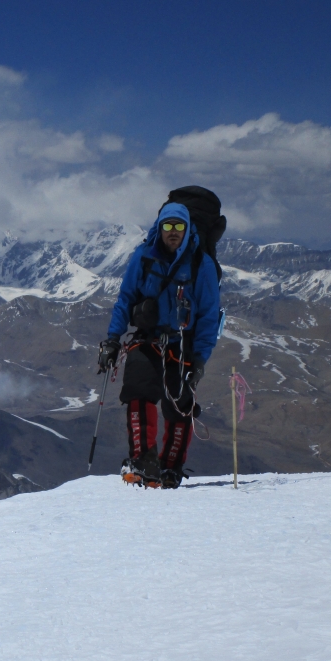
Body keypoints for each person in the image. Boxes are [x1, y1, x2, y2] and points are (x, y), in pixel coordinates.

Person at [97, 201, 221, 487]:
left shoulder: (201, 265)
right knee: (138, 391)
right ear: (160, 227)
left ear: (187, 228)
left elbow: (208, 316)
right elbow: (125, 299)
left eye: (179, 226)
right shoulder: (143, 256)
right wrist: (112, 340)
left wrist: (200, 360)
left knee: (180, 404)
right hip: (148, 338)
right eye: (168, 226)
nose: (173, 232)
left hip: (183, 343)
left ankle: (170, 468)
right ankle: (144, 461)